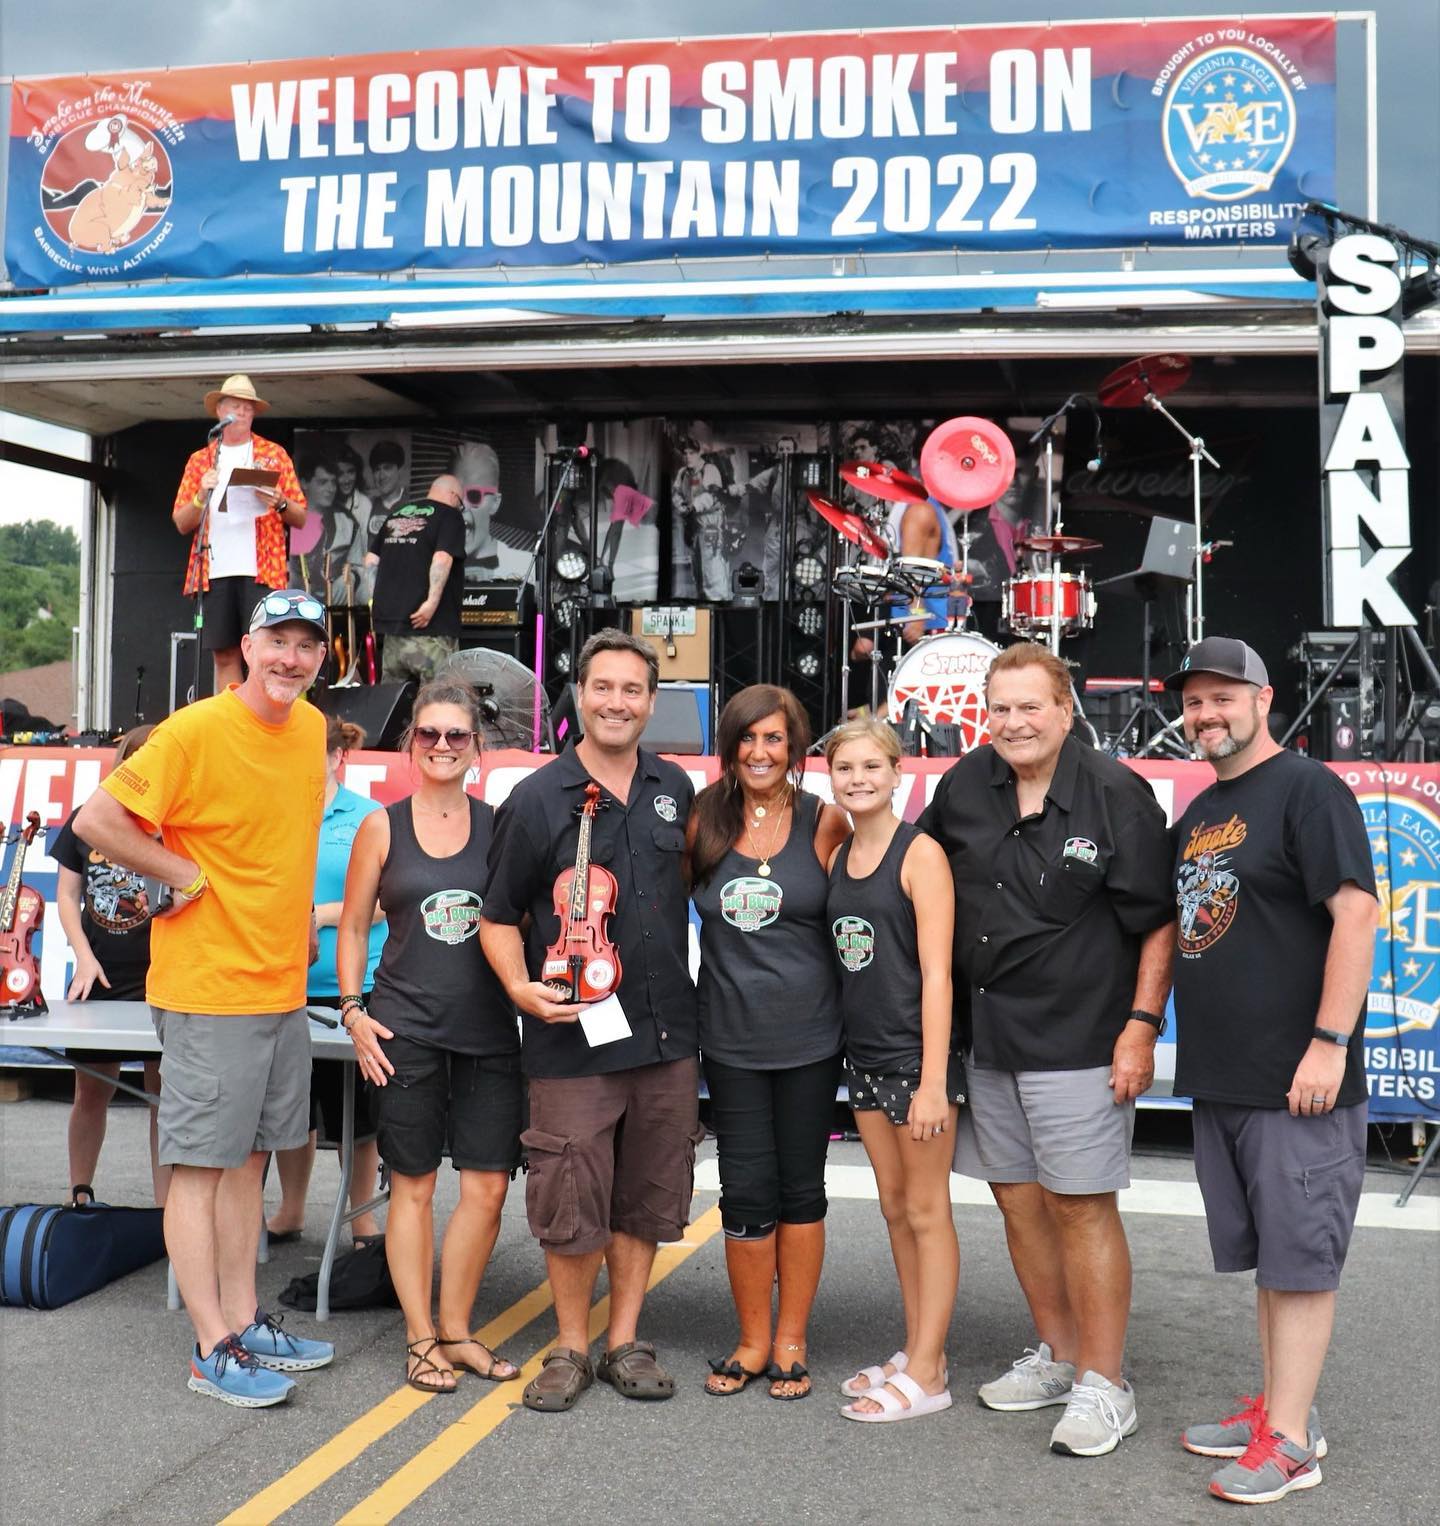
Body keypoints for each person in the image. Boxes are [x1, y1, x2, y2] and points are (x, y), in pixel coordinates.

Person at [73, 589, 335, 1408]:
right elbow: (96, 819)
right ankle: (209, 1343)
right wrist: (184, 874)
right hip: (209, 987)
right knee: (197, 1167)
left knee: (249, 1161)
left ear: (321, 657)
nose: (291, 659)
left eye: (307, 646)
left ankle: (246, 1320)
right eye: (277, 642)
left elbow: (282, 844)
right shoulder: (195, 730)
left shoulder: (313, 729)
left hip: (278, 984)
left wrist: (297, 929)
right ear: (247, 648)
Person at [916, 640, 1174, 1457]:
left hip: (1081, 1042)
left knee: (1080, 1205)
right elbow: (912, 864)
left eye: (1032, 707)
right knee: (1018, 1202)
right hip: (989, 1039)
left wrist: (1141, 1027)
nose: (1015, 722)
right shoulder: (964, 785)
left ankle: (1107, 1384)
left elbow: (1157, 923)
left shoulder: (1115, 796)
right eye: (1001, 708)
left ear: (1067, 712)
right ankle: (1060, 1355)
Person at [1165, 637, 1377, 1505]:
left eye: (1223, 698)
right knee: (1271, 1261)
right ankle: (1281, 1412)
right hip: (1229, 1077)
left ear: (1263, 699)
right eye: (1194, 702)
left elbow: (1356, 914)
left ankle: (1290, 1443)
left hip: (1300, 1078)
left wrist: (1330, 1040)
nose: (1206, 714)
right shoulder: (1202, 811)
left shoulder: (1309, 789)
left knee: (1301, 1263)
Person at [479, 629, 702, 1414]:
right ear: (578, 694)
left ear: (650, 701)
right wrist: (517, 988)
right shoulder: (539, 798)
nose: (617, 702)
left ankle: (624, 1340)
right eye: (603, 687)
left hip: (666, 1033)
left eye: (633, 690)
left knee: (646, 1193)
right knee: (570, 1194)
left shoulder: (675, 787)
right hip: (570, 1037)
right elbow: (497, 916)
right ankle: (571, 1344)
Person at [337, 680, 523, 1394]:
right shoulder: (382, 827)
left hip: (487, 1033)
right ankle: (420, 1340)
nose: (442, 746)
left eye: (457, 735)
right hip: (404, 1029)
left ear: (477, 747)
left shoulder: (500, 826)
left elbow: (521, 928)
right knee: (411, 1189)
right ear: (411, 744)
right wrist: (354, 1012)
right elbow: (353, 926)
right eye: (429, 735)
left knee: (485, 1189)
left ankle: (456, 1330)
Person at [686, 686, 850, 1400]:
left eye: (775, 739)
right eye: (747, 739)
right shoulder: (700, 821)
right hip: (729, 1040)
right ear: (729, 746)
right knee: (743, 1191)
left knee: (800, 1190)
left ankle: (792, 1340)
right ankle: (752, 1340)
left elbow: (867, 912)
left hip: (812, 1040)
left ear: (796, 747)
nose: (760, 752)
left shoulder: (827, 821)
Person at [824, 720, 962, 1422]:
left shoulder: (921, 855)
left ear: (897, 771)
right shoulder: (839, 854)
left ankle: (931, 1373)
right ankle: (917, 1346)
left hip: (915, 1060)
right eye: (845, 768)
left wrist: (934, 1080)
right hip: (865, 1057)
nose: (858, 778)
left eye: (871, 766)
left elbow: (938, 974)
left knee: (926, 1210)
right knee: (893, 1210)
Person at [266, 714, 387, 1250]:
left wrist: (320, 915)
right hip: (280, 983)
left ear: (339, 758)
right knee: (293, 1109)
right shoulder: (271, 807)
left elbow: (385, 902)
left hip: (352, 987)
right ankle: (291, 1212)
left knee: (357, 1115)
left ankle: (362, 1219)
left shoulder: (367, 816)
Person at [51, 724, 167, 1206]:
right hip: (98, 977)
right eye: (138, 759)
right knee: (90, 1093)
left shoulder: (176, 823)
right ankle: (80, 1193)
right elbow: (66, 895)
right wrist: (82, 955)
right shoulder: (88, 819)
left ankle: (169, 1211)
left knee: (165, 1101)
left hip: (161, 980)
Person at [171, 374, 308, 693]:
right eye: (235, 406)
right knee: (224, 654)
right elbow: (181, 521)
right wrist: (200, 495)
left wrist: (280, 502)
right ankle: (229, 724)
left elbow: (301, 516)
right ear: (220, 411)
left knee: (263, 652)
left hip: (262, 570)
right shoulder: (200, 461)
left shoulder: (273, 454)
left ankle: (261, 720)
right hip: (215, 570)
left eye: (248, 407)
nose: (242, 412)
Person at [365, 474, 467, 685]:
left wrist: (379, 602)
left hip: (392, 631)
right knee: (437, 702)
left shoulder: (397, 514)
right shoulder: (450, 515)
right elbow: (442, 557)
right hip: (431, 631)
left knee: (393, 705)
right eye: (461, 503)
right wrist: (431, 603)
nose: (460, 508)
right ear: (453, 495)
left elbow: (371, 561)